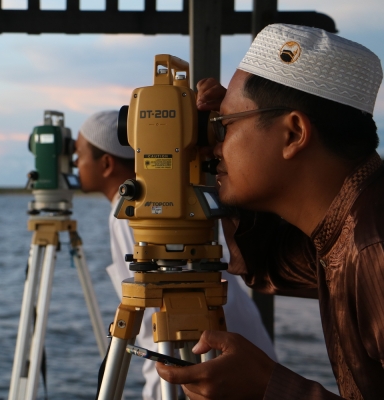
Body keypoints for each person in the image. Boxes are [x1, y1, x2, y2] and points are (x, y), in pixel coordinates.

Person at [155, 23, 384, 399]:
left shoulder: (373, 246)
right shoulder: (343, 228)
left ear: (293, 134)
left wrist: (267, 387)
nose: (216, 146)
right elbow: (270, 264)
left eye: (225, 126)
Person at [74, 110, 277, 399]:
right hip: (243, 355)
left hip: (217, 367)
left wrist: (157, 392)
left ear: (106, 163)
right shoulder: (174, 203)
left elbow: (153, 324)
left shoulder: (134, 212)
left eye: (80, 155)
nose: (74, 164)